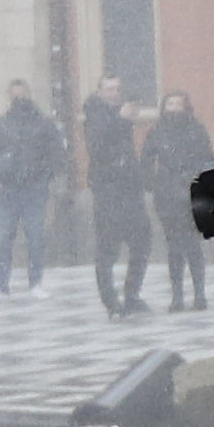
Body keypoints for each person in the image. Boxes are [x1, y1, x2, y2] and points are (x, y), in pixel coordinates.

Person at [0, 79, 61, 299]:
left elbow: (56, 153)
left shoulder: (43, 124)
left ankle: (35, 282)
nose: (19, 99)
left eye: (22, 94)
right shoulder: (0, 125)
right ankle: (0, 285)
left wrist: (45, 177)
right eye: (14, 95)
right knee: (5, 238)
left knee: (35, 237)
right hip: (8, 190)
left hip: (34, 189)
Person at [82, 75, 152, 317]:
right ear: (100, 92)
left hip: (130, 188)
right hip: (108, 191)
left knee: (142, 241)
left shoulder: (121, 114)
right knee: (108, 247)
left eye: (117, 89)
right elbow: (98, 146)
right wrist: (121, 120)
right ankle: (110, 300)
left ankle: (132, 294)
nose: (114, 93)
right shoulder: (94, 113)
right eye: (109, 89)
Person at [142, 91, 214, 310]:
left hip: (191, 193)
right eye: (170, 104)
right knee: (174, 247)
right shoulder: (157, 130)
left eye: (178, 103)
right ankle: (177, 296)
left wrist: (197, 180)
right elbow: (146, 159)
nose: (173, 108)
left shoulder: (196, 129)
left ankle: (199, 294)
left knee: (193, 245)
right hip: (166, 195)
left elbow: (206, 159)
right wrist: (152, 182)